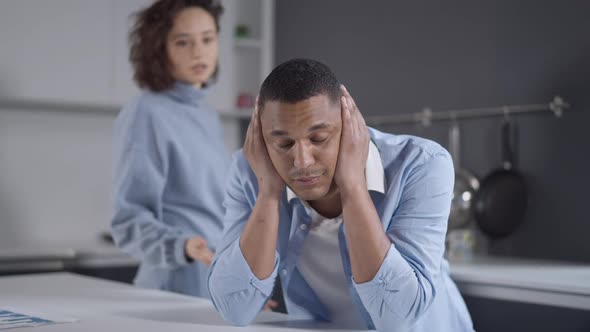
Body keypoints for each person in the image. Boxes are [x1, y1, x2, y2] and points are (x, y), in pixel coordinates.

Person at [208, 58, 474, 331]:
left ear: (347, 124)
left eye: (318, 138)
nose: (302, 161)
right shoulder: (250, 169)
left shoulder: (422, 164)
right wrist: (268, 193)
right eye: (283, 143)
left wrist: (354, 187)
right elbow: (234, 309)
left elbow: (398, 317)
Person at [110, 0, 229, 298]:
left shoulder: (208, 116)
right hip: (175, 282)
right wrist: (182, 245)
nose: (199, 51)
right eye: (182, 42)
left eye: (207, 38)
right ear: (159, 50)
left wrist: (240, 288)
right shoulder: (147, 113)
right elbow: (128, 220)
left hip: (214, 280)